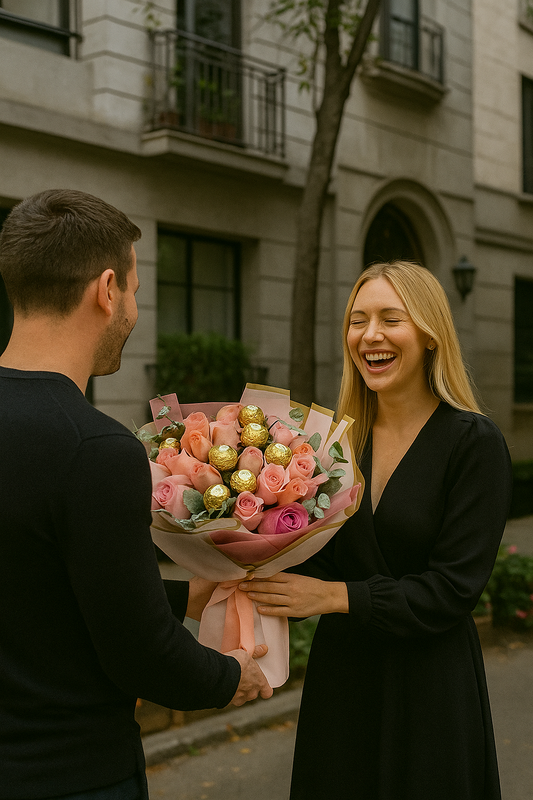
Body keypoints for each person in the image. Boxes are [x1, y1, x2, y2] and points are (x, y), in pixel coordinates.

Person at [0, 189, 272, 800]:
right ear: (105, 290)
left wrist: (181, 596)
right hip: (69, 775)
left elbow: (44, 586)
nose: (133, 310)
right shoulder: (93, 447)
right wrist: (232, 677)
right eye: (135, 291)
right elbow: (138, 653)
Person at [240, 261, 512, 800]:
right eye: (357, 320)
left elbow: (453, 590)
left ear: (430, 336)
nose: (370, 336)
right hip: (344, 683)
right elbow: (313, 557)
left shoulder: (473, 443)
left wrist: (337, 597)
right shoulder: (333, 446)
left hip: (430, 688)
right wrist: (239, 543)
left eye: (391, 318)